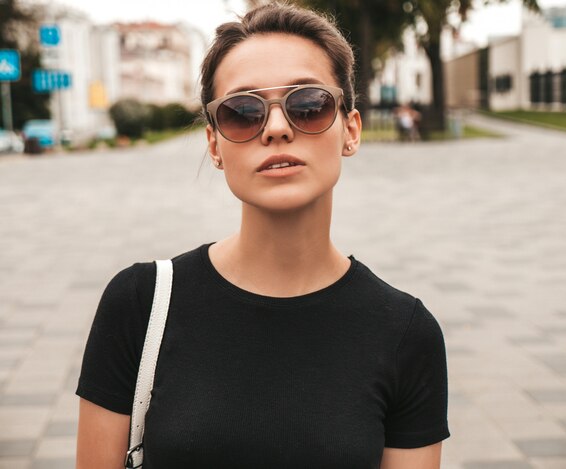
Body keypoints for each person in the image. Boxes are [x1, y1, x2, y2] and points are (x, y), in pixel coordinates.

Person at [75, 3, 450, 468]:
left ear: (350, 131)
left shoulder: (405, 333)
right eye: (242, 112)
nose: (275, 129)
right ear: (214, 144)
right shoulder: (140, 304)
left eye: (309, 105)